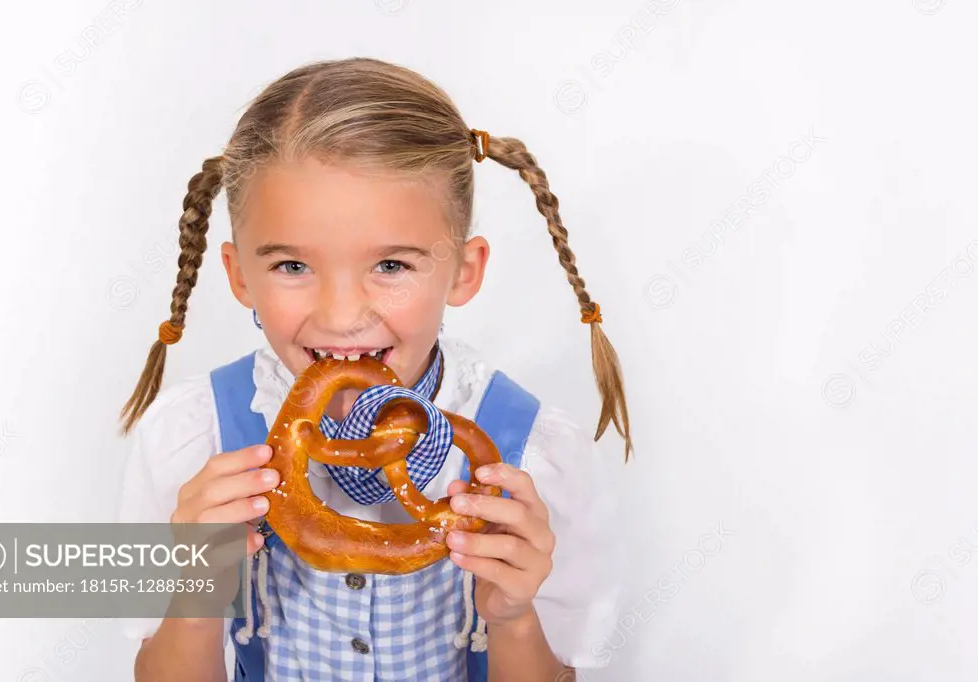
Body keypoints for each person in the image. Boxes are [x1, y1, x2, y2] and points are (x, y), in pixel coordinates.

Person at [116, 56, 633, 682]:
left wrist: (513, 616)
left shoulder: (530, 456)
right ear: (238, 275)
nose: (341, 316)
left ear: (463, 271)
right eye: (292, 267)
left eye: (391, 266)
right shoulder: (191, 442)